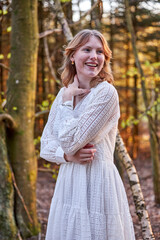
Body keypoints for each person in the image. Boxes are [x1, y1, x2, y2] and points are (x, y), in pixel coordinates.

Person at [40, 29, 135, 240]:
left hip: (98, 183)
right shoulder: (63, 93)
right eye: (87, 49)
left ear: (105, 59)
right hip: (68, 183)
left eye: (100, 52)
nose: (94, 56)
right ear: (73, 56)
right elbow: (45, 144)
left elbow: (71, 141)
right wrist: (67, 156)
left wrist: (66, 103)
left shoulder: (106, 93)